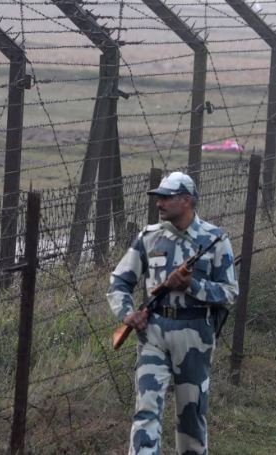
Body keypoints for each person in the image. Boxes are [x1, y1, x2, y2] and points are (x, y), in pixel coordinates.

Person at [107, 171, 238, 455]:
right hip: (153, 333)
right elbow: (119, 281)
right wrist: (128, 314)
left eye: (167, 197)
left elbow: (229, 292)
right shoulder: (149, 238)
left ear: (187, 201)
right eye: (159, 197)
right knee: (146, 409)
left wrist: (192, 285)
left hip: (195, 335)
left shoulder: (214, 239)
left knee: (191, 413)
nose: (159, 203)